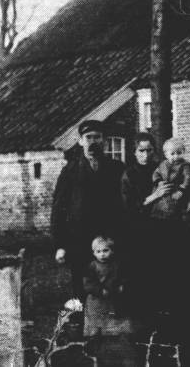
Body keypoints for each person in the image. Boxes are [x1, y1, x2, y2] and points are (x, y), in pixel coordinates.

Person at [121, 133, 190, 342]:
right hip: (144, 233)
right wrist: (153, 196)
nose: (145, 154)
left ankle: (187, 326)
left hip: (174, 228)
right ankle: (152, 330)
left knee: (181, 276)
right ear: (134, 152)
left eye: (149, 150)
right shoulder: (129, 175)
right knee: (151, 279)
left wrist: (189, 201)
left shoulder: (166, 167)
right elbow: (128, 207)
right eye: (141, 150)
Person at [50, 119, 126, 299]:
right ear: (81, 141)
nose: (93, 142)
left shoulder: (117, 168)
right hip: (79, 239)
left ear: (104, 141)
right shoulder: (70, 171)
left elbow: (125, 203)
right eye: (88, 137)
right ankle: (84, 325)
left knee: (114, 281)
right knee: (82, 284)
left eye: (97, 137)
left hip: (110, 236)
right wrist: (60, 245)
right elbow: (58, 208)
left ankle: (113, 325)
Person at [83, 235, 134, 336]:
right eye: (98, 252)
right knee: (96, 322)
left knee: (113, 319)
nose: (102, 254)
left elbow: (123, 277)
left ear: (112, 251)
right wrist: (99, 290)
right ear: (94, 253)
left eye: (105, 251)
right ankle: (95, 337)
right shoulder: (92, 266)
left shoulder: (116, 265)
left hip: (112, 298)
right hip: (96, 300)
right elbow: (88, 283)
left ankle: (112, 338)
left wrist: (121, 286)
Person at [151, 137, 190, 220]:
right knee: (161, 209)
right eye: (172, 154)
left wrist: (181, 190)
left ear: (183, 152)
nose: (176, 156)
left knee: (179, 211)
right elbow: (156, 173)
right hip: (165, 191)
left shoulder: (185, 165)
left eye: (179, 153)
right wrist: (158, 181)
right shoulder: (163, 164)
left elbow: (188, 178)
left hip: (178, 190)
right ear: (166, 155)